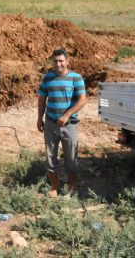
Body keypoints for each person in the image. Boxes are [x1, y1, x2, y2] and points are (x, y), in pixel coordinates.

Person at [37, 49, 87, 197]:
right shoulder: (47, 78)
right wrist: (40, 118)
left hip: (69, 124)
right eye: (55, 61)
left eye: (61, 61)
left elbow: (83, 99)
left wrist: (66, 115)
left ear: (67, 61)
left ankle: (71, 186)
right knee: (50, 156)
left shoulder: (76, 78)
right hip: (51, 124)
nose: (58, 64)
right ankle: (54, 187)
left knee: (71, 156)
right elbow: (41, 99)